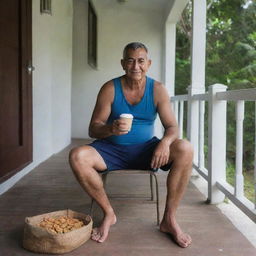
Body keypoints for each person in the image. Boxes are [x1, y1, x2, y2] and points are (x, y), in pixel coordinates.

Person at [69, 42, 193, 248]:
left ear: (149, 63)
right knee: (77, 156)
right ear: (123, 64)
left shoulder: (158, 89)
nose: (136, 66)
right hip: (110, 151)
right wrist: (110, 129)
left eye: (141, 61)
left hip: (147, 150)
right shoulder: (110, 88)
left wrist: (165, 142)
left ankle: (169, 220)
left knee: (185, 148)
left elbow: (172, 126)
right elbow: (93, 128)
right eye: (130, 60)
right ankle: (109, 214)